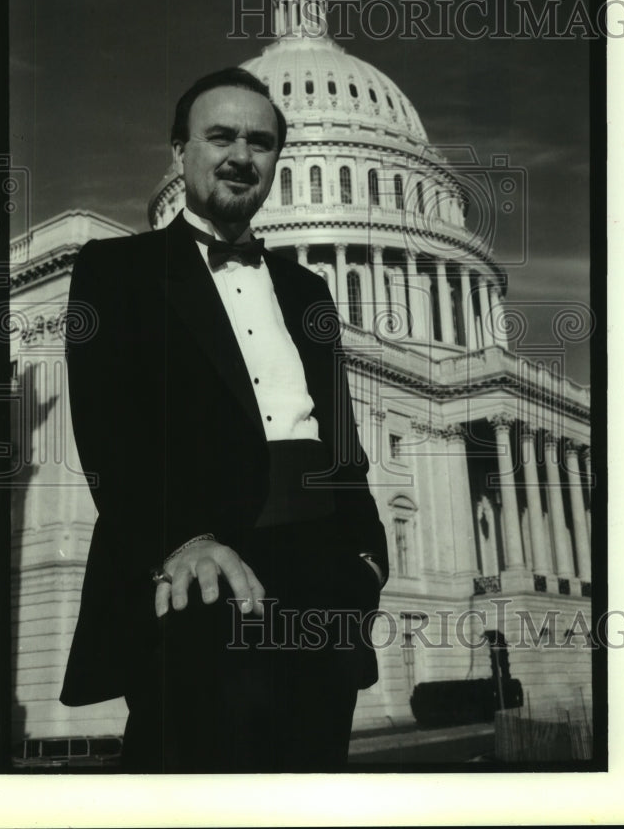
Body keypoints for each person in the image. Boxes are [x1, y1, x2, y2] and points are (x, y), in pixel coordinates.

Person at [60, 67, 388, 773]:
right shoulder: (116, 269)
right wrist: (183, 539)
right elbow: (106, 426)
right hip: (201, 568)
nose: (242, 154)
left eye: (261, 142)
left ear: (275, 162)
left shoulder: (309, 289)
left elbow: (340, 440)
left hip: (325, 584)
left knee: (313, 784)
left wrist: (364, 558)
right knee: (191, 779)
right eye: (221, 135)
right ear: (180, 152)